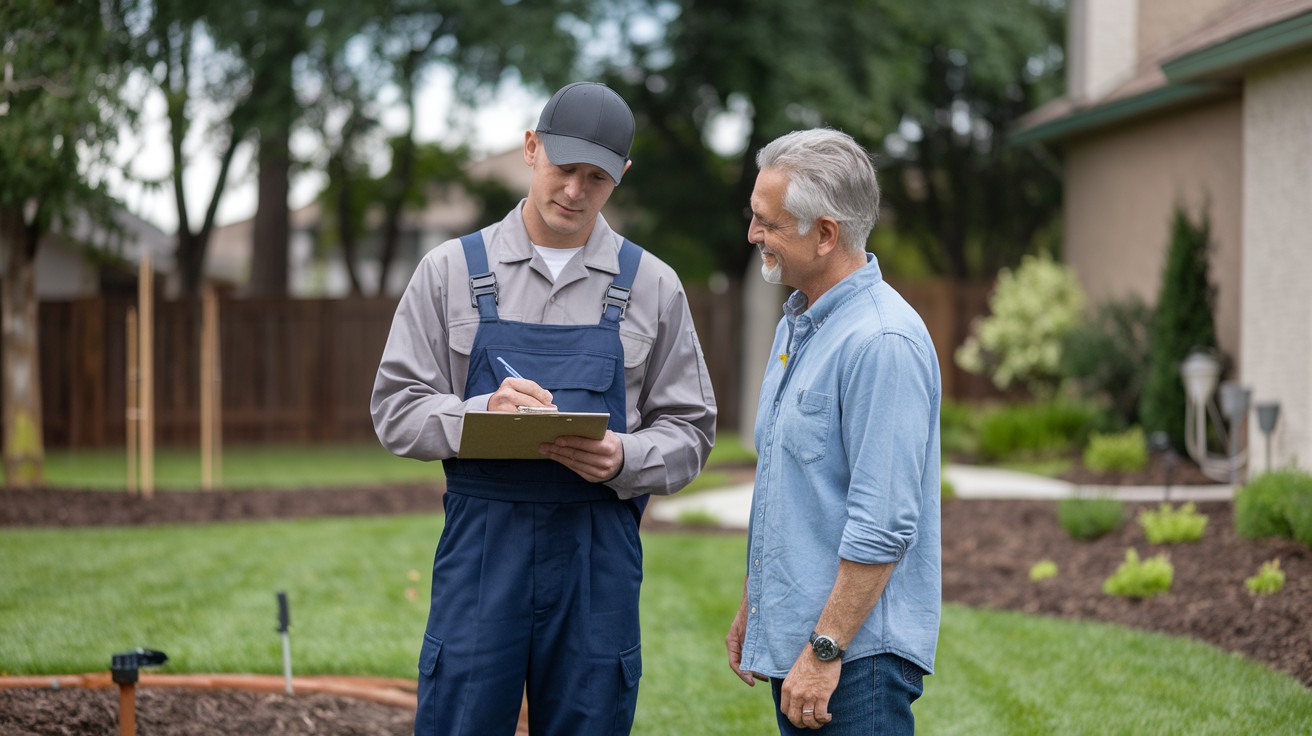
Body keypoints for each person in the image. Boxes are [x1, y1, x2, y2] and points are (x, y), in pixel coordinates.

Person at [372, 82, 717, 736]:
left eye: (597, 177)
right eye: (563, 169)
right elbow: (395, 408)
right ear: (531, 149)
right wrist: (479, 418)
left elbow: (692, 432)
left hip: (597, 558)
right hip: (482, 554)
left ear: (622, 177)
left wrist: (625, 455)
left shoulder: (652, 286)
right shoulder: (448, 272)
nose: (575, 191)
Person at [725, 128, 941, 734]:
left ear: (825, 234)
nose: (752, 235)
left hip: (854, 664)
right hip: (808, 650)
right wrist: (755, 607)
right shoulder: (800, 326)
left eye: (767, 222)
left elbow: (884, 521)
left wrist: (825, 652)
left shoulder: (881, 342)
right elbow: (787, 485)